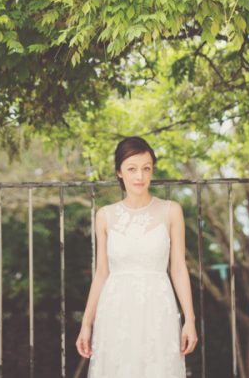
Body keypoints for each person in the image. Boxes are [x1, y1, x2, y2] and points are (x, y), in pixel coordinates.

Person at [76, 136, 198, 376]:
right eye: (132, 169)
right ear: (119, 172)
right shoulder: (105, 215)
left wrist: (190, 320)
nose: (139, 176)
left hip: (158, 309)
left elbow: (178, 269)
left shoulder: (171, 211)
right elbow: (101, 273)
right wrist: (86, 323)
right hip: (116, 311)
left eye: (146, 168)